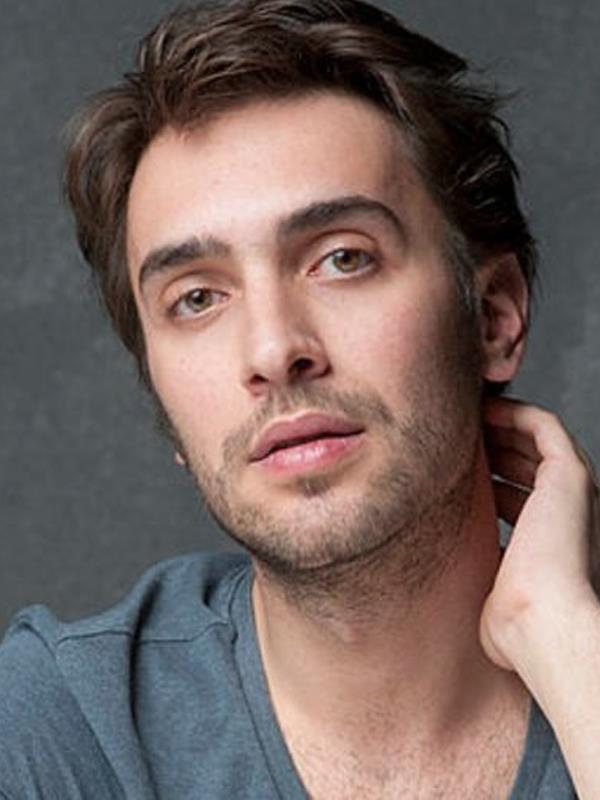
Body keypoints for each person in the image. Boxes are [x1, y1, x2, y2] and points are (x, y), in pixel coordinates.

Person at [1, 0, 598, 797]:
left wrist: (564, 645)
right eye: (197, 299)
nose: (274, 351)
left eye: (342, 258)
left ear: (491, 316)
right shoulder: (68, 728)